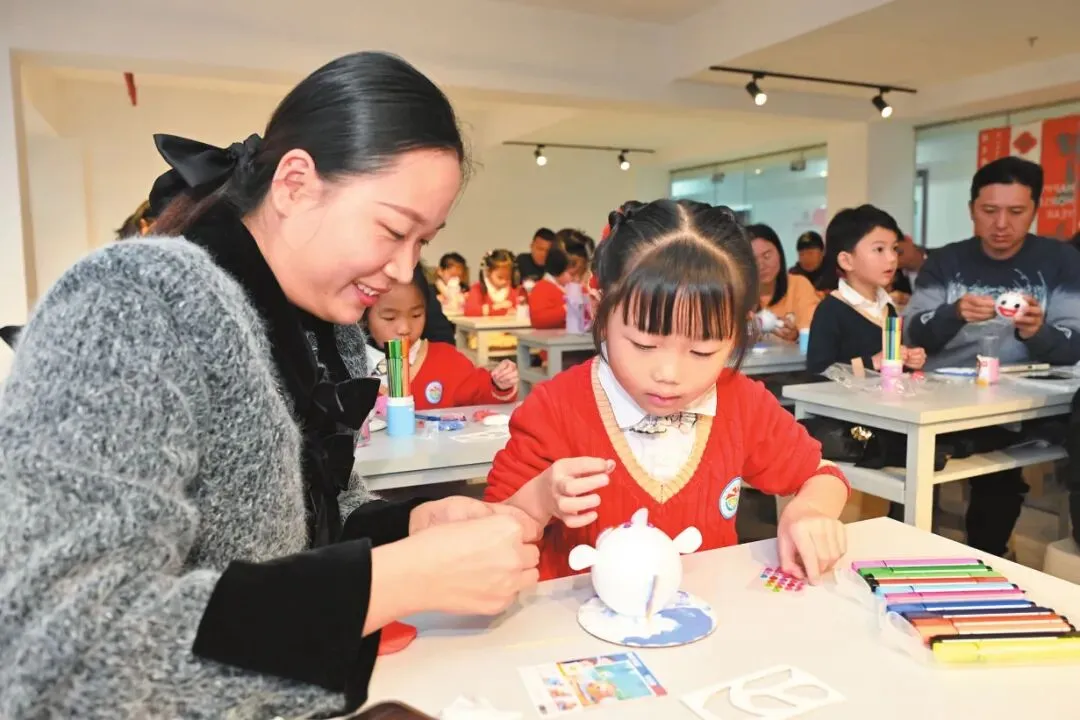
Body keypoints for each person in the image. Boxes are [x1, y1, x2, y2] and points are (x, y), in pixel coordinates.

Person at [0, 52, 542, 719]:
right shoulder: (131, 305)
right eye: (394, 230)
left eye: (423, 242)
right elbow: (56, 658)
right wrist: (398, 578)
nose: (405, 269)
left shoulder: (328, 330)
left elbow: (311, 526)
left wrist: (411, 526)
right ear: (294, 184)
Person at [482, 199, 849, 582]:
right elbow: (493, 528)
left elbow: (822, 474)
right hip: (577, 616)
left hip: (708, 611)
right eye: (643, 345)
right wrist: (541, 498)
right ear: (599, 310)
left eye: (702, 351)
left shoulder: (740, 401)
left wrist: (810, 511)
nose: (669, 375)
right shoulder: (555, 408)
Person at [904, 156, 1080, 557]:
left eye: (1016, 212)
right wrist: (953, 314)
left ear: (1034, 210)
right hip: (942, 400)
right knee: (910, 463)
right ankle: (910, 552)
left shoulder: (1062, 261)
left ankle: (987, 557)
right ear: (971, 209)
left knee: (998, 471)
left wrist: (1037, 331)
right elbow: (914, 332)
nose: (1001, 224)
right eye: (989, 211)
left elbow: (1074, 344)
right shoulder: (945, 262)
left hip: (1021, 405)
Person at [364, 271, 518, 410]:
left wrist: (500, 384)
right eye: (390, 318)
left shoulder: (447, 360)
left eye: (416, 315)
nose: (404, 328)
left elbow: (483, 394)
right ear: (363, 316)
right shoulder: (352, 369)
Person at [807, 205, 926, 375]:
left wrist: (907, 360)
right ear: (846, 261)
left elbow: (890, 368)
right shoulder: (831, 310)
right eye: (879, 249)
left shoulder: (888, 308)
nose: (892, 258)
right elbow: (818, 372)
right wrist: (872, 362)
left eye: (894, 249)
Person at [749, 224, 819, 342]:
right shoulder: (734, 294)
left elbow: (815, 334)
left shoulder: (799, 285)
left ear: (780, 253)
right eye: (753, 260)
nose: (761, 265)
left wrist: (796, 336)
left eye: (767, 256)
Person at [464, 248, 523, 316]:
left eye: (508, 277)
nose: (504, 281)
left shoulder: (514, 289)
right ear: (488, 272)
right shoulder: (478, 288)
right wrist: (496, 308)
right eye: (500, 277)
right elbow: (470, 310)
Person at [528, 247, 574, 329]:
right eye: (571, 274)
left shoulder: (569, 288)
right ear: (559, 271)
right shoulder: (541, 289)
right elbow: (538, 320)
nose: (574, 278)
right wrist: (567, 309)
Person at [889, 234, 926, 301]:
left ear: (908, 240)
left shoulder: (944, 259)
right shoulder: (891, 278)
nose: (895, 259)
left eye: (899, 252)